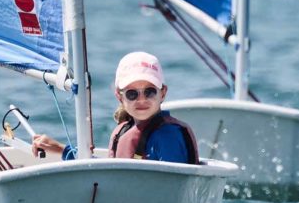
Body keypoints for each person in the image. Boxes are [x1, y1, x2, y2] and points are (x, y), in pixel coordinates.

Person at [23, 51, 201, 163]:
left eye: (149, 92)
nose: (141, 99)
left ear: (163, 93)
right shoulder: (123, 131)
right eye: (132, 93)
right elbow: (108, 173)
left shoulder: (168, 135)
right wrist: (61, 149)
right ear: (119, 96)